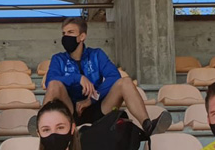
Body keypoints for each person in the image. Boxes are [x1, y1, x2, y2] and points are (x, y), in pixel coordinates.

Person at [30, 17, 170, 136]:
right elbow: (50, 81)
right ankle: (40, 127)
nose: (66, 36)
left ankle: (148, 126)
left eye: (70, 32)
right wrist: (78, 78)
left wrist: (91, 99)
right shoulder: (58, 59)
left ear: (82, 37)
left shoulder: (96, 54)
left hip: (98, 107)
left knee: (126, 82)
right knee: (54, 84)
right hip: (70, 110)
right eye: (64, 33)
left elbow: (114, 76)